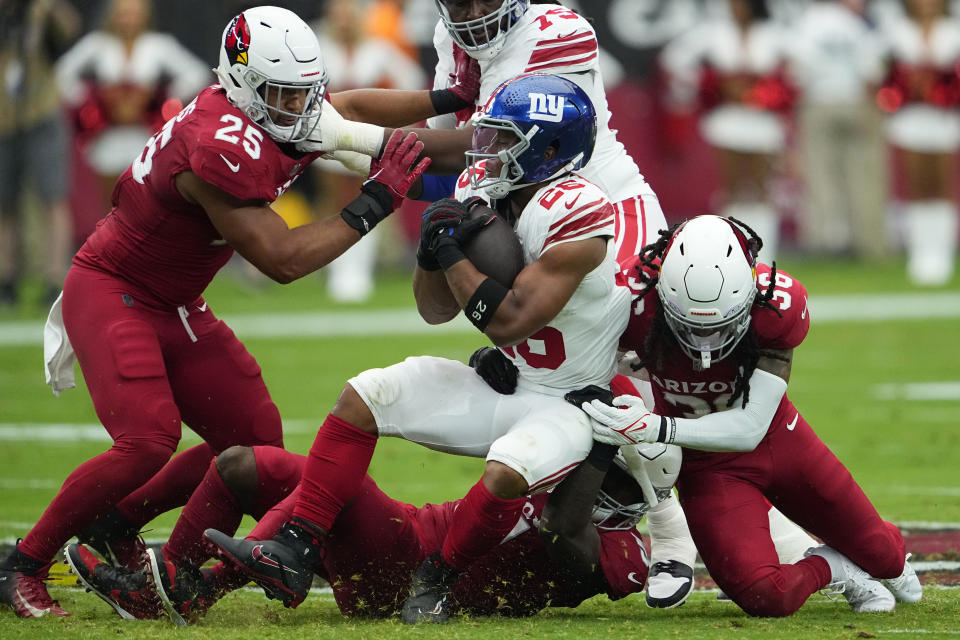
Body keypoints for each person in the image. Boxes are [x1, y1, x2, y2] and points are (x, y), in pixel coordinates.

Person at [0, 5, 431, 619]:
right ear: (244, 83)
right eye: (283, 94)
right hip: (115, 287)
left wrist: (449, 96)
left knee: (254, 444)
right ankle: (25, 562)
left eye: (303, 92)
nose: (298, 108)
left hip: (174, 299)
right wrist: (374, 201)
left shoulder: (268, 109)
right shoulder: (218, 142)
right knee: (147, 441)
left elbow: (353, 108)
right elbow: (279, 257)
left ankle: (127, 536)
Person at [201, 73, 632, 625]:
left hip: (567, 401)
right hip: (511, 379)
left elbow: (511, 320)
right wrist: (432, 250)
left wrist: (453, 254)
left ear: (550, 152)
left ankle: (437, 579)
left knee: (509, 468)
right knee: (367, 394)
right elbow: (434, 310)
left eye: (505, 139)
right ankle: (295, 544)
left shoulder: (578, 207)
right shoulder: (488, 189)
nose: (488, 149)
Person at [569, 214, 922, 616]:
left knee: (885, 556)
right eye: (690, 326)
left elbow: (750, 428)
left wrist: (658, 427)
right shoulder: (631, 296)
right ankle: (835, 566)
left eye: (721, 326)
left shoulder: (777, 306)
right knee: (764, 595)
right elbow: (568, 342)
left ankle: (873, 559)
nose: (705, 342)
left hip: (780, 440)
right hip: (707, 468)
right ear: (661, 293)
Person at [66, 440, 679, 625]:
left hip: (410, 574)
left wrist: (599, 446)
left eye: (606, 472)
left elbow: (566, 538)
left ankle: (199, 586)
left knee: (340, 478)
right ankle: (174, 582)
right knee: (240, 466)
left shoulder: (624, 552)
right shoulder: (570, 475)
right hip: (400, 540)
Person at [56, 0, 211, 233]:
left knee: (145, 198)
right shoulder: (98, 45)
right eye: (123, 14)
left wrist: (163, 101)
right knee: (110, 202)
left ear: (144, 16)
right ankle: (108, 249)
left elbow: (196, 73)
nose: (128, 19)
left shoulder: (159, 45)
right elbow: (63, 72)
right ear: (113, 16)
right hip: (107, 136)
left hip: (144, 137)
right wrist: (88, 101)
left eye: (133, 14)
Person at [660, 0, 795, 262]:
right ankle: (731, 251)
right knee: (732, 188)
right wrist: (706, 85)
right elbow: (674, 58)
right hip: (726, 121)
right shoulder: (714, 32)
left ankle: (764, 254)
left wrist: (774, 89)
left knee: (760, 188)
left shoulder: (773, 34)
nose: (735, 9)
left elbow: (802, 61)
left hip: (763, 121)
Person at [310, 0, 426, 302]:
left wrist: (395, 119)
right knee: (334, 201)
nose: (345, 22)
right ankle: (336, 268)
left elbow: (411, 80)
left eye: (350, 16)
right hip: (324, 141)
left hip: (363, 140)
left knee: (366, 198)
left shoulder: (377, 49)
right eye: (339, 16)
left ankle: (358, 270)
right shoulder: (316, 46)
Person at [788, 0, 890, 260]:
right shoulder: (860, 22)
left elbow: (797, 69)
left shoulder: (810, 19)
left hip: (819, 102)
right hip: (856, 101)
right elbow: (873, 69)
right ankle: (870, 244)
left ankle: (824, 244)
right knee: (865, 177)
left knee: (820, 176)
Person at [0, 0, 80, 306]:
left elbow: (70, 28)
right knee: (3, 203)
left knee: (54, 197)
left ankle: (54, 278)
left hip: (42, 110)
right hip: (4, 116)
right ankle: (6, 279)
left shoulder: (42, 10)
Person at [878, 0, 960, 285]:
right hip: (910, 119)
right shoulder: (897, 31)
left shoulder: (953, 31)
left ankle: (942, 253)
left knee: (941, 187)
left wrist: (940, 87)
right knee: (917, 187)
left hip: (944, 119)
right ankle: (921, 252)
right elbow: (886, 76)